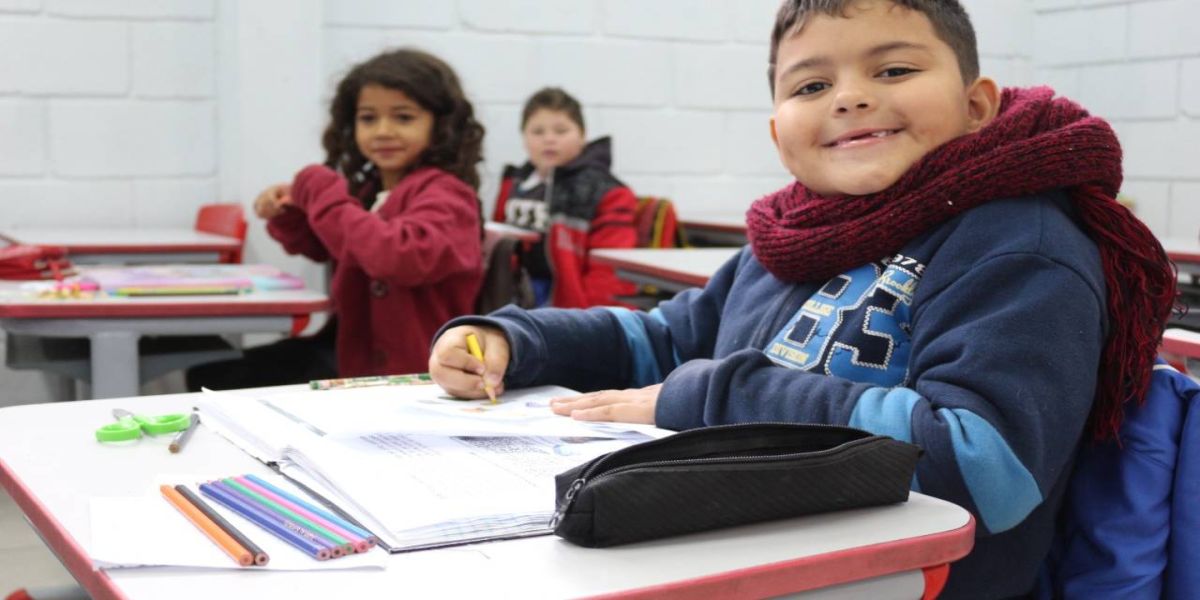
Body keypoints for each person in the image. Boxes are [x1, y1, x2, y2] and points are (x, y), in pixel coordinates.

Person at [428, 1, 1177, 598]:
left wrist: (721, 397)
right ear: (779, 132)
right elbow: (663, 341)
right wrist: (515, 339)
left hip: (900, 585)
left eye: (893, 69)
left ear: (978, 104)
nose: (850, 98)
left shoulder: (1019, 245)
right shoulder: (789, 239)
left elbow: (986, 467)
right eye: (812, 86)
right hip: (740, 552)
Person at [187, 48, 485, 390]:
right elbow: (329, 245)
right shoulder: (372, 191)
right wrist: (293, 213)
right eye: (368, 118)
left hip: (416, 375)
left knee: (226, 382)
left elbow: (394, 255)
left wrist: (318, 188)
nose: (383, 131)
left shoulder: (448, 194)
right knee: (212, 378)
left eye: (403, 117)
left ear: (441, 125)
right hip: (358, 361)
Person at [492, 87, 637, 308]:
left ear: (582, 136)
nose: (549, 139)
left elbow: (611, 271)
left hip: (569, 306)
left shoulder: (609, 193)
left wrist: (590, 323)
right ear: (524, 138)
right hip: (513, 296)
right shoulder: (513, 184)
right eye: (537, 132)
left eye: (561, 131)